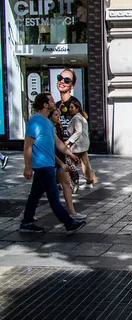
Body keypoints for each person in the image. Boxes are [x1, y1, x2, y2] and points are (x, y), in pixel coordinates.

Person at [20, 93, 86, 234]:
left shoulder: (48, 123)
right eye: (50, 100)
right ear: (44, 104)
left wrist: (70, 154)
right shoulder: (35, 121)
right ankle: (69, 223)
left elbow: (58, 143)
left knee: (35, 195)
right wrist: (27, 167)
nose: (53, 102)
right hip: (42, 166)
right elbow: (27, 146)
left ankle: (26, 222)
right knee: (53, 196)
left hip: (48, 164)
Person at [49, 109, 86, 220]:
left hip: (60, 161)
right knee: (38, 191)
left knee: (67, 185)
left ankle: (72, 212)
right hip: (50, 162)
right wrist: (61, 163)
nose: (58, 118)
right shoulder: (48, 129)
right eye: (56, 115)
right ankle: (26, 213)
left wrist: (70, 154)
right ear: (50, 116)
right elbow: (49, 150)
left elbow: (60, 144)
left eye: (59, 115)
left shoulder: (58, 128)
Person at [66, 97, 97, 187]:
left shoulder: (77, 118)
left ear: (77, 108)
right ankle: (90, 180)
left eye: (72, 107)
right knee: (85, 162)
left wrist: (69, 141)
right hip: (82, 143)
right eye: (70, 107)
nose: (70, 109)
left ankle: (71, 180)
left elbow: (78, 131)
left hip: (78, 144)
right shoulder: (81, 117)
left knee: (69, 161)